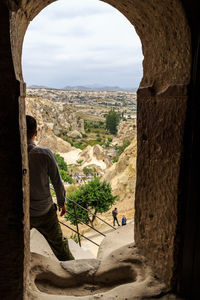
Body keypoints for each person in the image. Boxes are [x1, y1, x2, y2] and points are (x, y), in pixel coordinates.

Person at [26, 115, 74, 261]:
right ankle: (74, 273)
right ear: (35, 133)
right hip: (44, 211)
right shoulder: (43, 153)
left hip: (24, 211)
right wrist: (61, 202)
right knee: (60, 246)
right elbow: (57, 181)